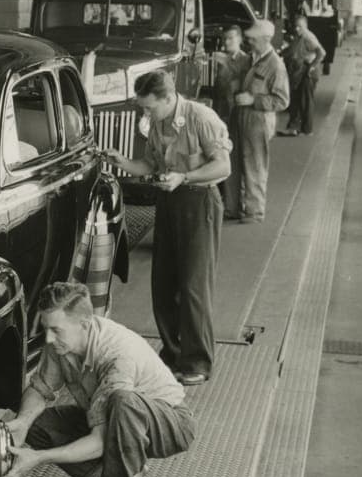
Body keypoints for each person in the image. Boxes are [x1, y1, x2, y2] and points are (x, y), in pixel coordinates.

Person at [0, 282, 195, 477]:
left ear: (85, 324)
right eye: (46, 329)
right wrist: (22, 422)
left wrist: (38, 458)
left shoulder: (117, 355)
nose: (49, 338)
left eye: (56, 330)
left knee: (123, 402)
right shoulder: (61, 342)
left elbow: (100, 440)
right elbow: (41, 387)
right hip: (114, 419)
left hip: (170, 422)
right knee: (37, 423)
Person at [103, 70, 231, 385]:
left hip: (199, 202)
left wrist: (185, 177)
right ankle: (173, 354)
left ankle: (197, 361)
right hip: (170, 202)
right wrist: (121, 161)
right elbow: (150, 165)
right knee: (163, 283)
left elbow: (223, 166)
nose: (146, 115)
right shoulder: (159, 122)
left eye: (149, 107)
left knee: (193, 285)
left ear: (168, 97)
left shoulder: (201, 117)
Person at [232, 20, 290, 224]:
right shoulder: (252, 59)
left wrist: (253, 100)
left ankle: (255, 212)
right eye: (248, 39)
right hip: (244, 118)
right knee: (241, 161)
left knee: (255, 164)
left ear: (266, 40)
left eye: (253, 39)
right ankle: (240, 207)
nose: (249, 42)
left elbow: (282, 100)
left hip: (259, 121)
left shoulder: (275, 65)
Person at [212, 24, 250, 220]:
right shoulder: (220, 59)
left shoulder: (245, 61)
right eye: (225, 39)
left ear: (240, 40)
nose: (227, 42)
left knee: (234, 162)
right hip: (221, 114)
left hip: (235, 117)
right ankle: (228, 203)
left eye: (231, 39)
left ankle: (234, 205)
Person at [281, 14, 325, 136]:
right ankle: (294, 127)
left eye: (300, 27)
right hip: (299, 71)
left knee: (306, 101)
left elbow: (321, 52)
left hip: (308, 72)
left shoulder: (308, 37)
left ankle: (307, 129)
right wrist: (281, 53)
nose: (297, 29)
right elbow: (291, 50)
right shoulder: (298, 37)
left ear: (305, 26)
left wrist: (312, 66)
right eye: (296, 26)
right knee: (296, 98)